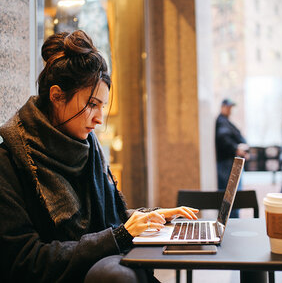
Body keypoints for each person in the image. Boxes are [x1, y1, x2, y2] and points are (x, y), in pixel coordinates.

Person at [0, 30, 198, 283]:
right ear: (57, 96)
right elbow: (23, 260)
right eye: (92, 104)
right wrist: (120, 236)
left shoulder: (88, 150)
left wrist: (150, 216)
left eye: (102, 106)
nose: (99, 118)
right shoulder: (10, 162)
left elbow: (106, 223)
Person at [215, 99, 249, 217]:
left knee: (233, 195)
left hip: (230, 163)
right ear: (223, 107)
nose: (230, 110)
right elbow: (223, 138)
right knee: (231, 195)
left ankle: (232, 219)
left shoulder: (225, 121)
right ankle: (232, 220)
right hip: (227, 164)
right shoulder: (222, 121)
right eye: (228, 107)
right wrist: (236, 148)